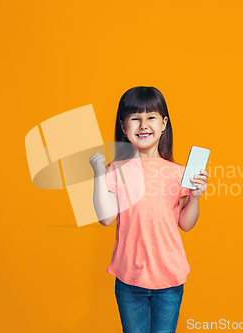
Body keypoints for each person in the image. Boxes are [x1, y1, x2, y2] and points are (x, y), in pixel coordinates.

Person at [89, 86, 208, 333]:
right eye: (135, 118)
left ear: (164, 124)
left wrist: (195, 197)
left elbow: (186, 224)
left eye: (151, 117)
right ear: (124, 127)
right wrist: (99, 174)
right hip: (129, 279)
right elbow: (106, 218)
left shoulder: (178, 173)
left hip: (170, 278)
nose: (143, 125)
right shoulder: (116, 170)